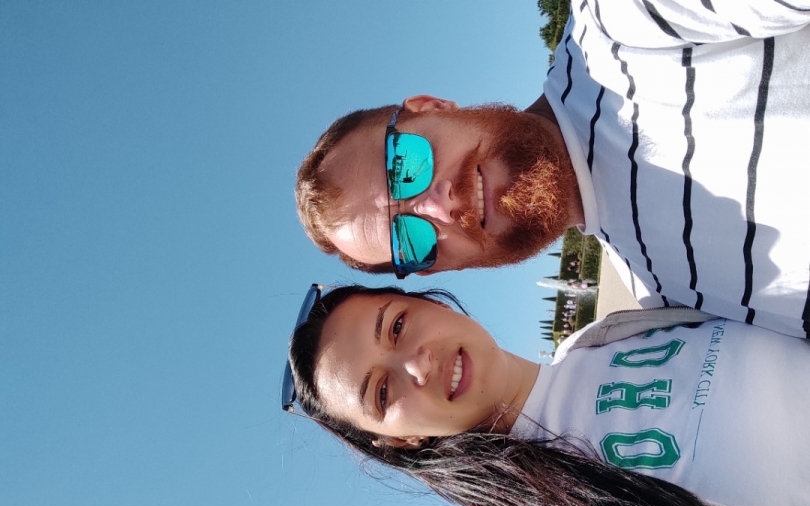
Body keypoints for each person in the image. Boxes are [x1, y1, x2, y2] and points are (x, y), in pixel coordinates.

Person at [295, 2, 810, 338]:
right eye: (409, 239)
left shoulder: (621, 30)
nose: (438, 206)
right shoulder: (671, 307)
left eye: (404, 166)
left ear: (431, 107)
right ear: (438, 269)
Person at [283, 284, 810, 506]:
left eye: (398, 325)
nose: (417, 364)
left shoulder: (606, 335)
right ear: (401, 441)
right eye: (382, 391)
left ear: (428, 302)